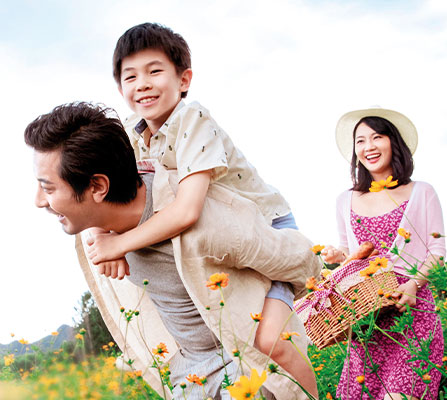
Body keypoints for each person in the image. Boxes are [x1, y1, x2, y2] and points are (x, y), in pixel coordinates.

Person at [82, 22, 320, 397]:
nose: (142, 83)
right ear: (121, 88)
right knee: (231, 332)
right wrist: (99, 233)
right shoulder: (128, 133)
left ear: (184, 79)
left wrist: (119, 243)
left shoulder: (193, 120)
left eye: (155, 71)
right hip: (222, 235)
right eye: (130, 76)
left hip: (266, 228)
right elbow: (100, 187)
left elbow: (187, 210)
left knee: (271, 341)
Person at [26, 102, 317, 400]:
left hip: (241, 366)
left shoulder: (207, 223)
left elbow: (301, 258)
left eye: (48, 189)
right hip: (188, 375)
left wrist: (268, 333)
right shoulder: (98, 220)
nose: (38, 200)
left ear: (98, 187)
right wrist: (101, 230)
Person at [318, 108, 446, 400]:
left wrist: (413, 285)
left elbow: (437, 252)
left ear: (394, 142)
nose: (368, 147)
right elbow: (352, 255)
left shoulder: (421, 192)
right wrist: (339, 255)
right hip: (368, 321)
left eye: (377, 137)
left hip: (412, 312)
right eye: (360, 141)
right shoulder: (345, 200)